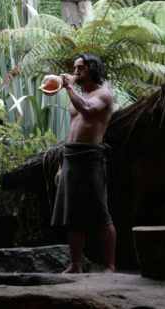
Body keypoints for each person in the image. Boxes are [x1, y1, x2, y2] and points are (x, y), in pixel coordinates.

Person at [52, 53, 116, 273]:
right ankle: (76, 264)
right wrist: (61, 164)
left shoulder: (104, 94)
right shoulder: (79, 95)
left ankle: (110, 266)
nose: (76, 71)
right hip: (71, 156)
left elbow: (88, 110)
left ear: (92, 69)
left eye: (81, 68)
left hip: (90, 157)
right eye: (74, 68)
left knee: (100, 211)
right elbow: (71, 131)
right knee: (72, 214)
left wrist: (69, 88)